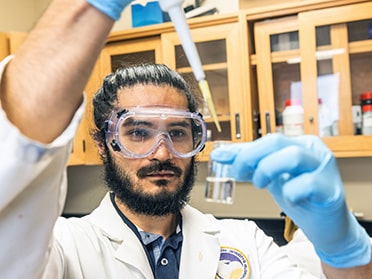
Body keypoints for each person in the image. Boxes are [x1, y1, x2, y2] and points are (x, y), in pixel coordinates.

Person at [0, 0, 371, 278]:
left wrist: (343, 247)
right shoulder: (65, 248)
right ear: (103, 144)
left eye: (178, 133)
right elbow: (23, 137)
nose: (162, 152)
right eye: (138, 133)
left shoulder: (244, 242)